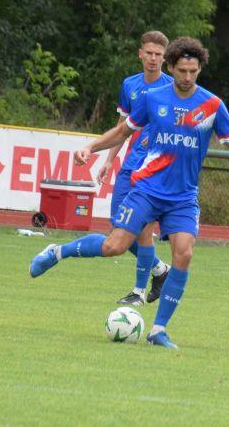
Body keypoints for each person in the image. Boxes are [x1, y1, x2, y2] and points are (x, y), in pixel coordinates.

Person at [30, 37, 229, 349]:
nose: (187, 77)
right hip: (147, 189)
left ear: (199, 69)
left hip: (183, 197)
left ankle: (158, 330)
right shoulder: (153, 98)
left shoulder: (212, 105)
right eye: (182, 70)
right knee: (113, 246)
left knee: (184, 253)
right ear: (170, 67)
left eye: (193, 71)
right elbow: (122, 132)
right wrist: (90, 147)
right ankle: (57, 252)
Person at [95, 31, 174, 307]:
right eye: (149, 53)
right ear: (140, 54)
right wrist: (108, 160)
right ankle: (160, 270)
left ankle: (139, 292)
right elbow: (122, 128)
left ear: (165, 58)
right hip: (130, 164)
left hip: (154, 168)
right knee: (118, 227)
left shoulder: (173, 87)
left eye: (158, 55)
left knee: (142, 229)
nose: (153, 58)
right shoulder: (129, 85)